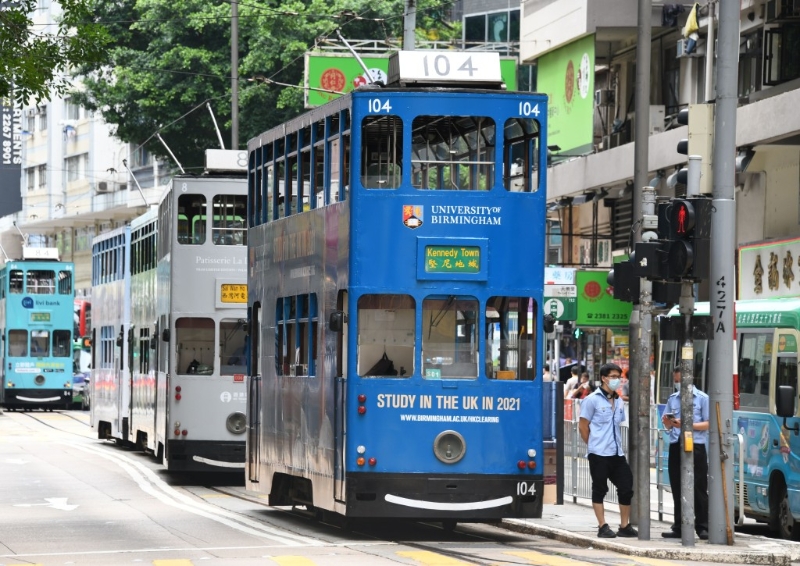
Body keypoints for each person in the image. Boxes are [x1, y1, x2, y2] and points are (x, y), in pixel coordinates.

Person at [579, 362, 637, 539]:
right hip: (598, 453)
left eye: (618, 377)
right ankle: (602, 525)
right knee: (599, 489)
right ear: (603, 378)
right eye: (613, 377)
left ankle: (624, 525)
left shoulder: (619, 401)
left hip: (616, 453)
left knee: (626, 487)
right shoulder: (592, 400)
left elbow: (618, 424)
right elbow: (583, 426)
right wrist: (594, 445)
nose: (616, 380)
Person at [661, 366, 709, 540]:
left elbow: (708, 424)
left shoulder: (703, 398)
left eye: (680, 380)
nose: (677, 384)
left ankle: (703, 526)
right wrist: (668, 422)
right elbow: (667, 423)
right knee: (677, 486)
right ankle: (679, 525)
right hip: (676, 444)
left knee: (698, 486)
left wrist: (686, 425)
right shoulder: (673, 399)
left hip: (695, 445)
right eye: (675, 381)